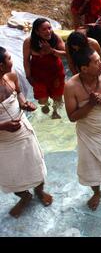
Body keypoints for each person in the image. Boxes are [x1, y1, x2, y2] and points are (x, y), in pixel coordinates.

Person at [64, 48, 101, 210]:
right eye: (97, 62)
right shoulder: (71, 86)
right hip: (87, 133)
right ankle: (96, 192)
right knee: (90, 166)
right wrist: (91, 104)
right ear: (84, 68)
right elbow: (72, 117)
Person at [0, 47, 52, 218]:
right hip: (3, 140)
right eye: (8, 58)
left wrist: (24, 103)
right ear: (0, 65)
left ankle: (39, 192)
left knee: (34, 163)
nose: (11, 60)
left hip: (23, 130)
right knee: (11, 174)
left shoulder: (11, 77)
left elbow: (19, 93)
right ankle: (24, 197)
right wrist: (4, 126)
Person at [23, 18, 66, 119]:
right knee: (42, 101)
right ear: (37, 32)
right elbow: (26, 60)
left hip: (56, 75)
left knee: (58, 98)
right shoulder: (29, 42)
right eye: (44, 29)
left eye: (49, 28)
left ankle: (55, 112)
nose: (48, 31)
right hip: (38, 76)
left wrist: (51, 51)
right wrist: (28, 76)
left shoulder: (56, 38)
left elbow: (66, 54)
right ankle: (46, 109)